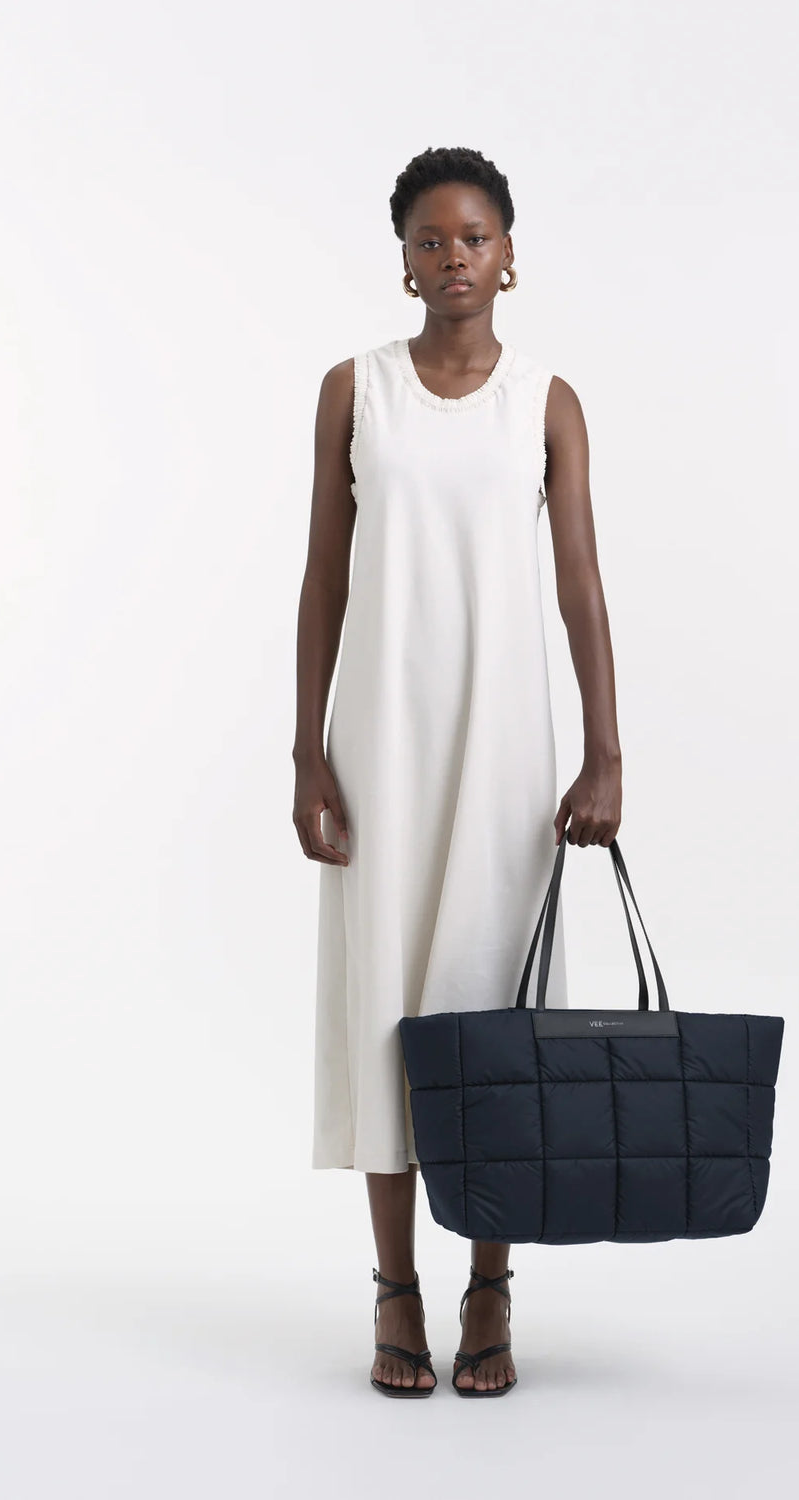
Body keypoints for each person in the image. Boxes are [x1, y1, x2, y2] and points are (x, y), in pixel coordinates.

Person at [292, 146, 623, 1397]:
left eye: (473, 237)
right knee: (386, 1011)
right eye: (430, 240)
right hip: (380, 743)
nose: (453, 258)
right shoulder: (353, 390)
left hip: (504, 748)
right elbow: (323, 577)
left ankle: (489, 1286)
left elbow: (582, 582)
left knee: (493, 1022)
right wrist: (305, 751)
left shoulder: (545, 400)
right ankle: (395, 1293)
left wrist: (605, 748)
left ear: (510, 252)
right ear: (404, 257)